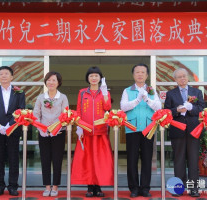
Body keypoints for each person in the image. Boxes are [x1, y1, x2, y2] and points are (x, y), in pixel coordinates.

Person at [71, 66, 113, 197]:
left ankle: (98, 186)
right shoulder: (82, 92)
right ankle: (89, 186)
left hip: (100, 132)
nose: (94, 78)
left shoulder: (105, 92)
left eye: (96, 76)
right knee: (88, 161)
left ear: (100, 78)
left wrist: (105, 93)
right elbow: (78, 110)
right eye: (91, 76)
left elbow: (107, 107)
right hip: (86, 132)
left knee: (99, 161)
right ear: (87, 78)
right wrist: (79, 127)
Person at [120, 63, 161, 198]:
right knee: (132, 159)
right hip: (132, 129)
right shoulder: (127, 90)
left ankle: (145, 188)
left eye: (143, 72)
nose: (140, 74)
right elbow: (123, 107)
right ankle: (133, 188)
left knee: (147, 159)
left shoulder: (151, 90)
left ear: (147, 75)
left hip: (149, 129)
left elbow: (158, 107)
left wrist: (147, 98)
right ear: (133, 75)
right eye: (137, 72)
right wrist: (137, 100)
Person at [164, 68, 205, 197]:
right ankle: (179, 188)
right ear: (175, 80)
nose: (182, 78)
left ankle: (193, 189)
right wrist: (177, 110)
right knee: (179, 160)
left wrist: (191, 108)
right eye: (179, 77)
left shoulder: (197, 92)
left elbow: (202, 109)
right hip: (177, 130)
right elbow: (167, 111)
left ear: (188, 78)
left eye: (184, 76)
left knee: (193, 160)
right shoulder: (170, 94)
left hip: (194, 130)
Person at [0, 66, 25, 196]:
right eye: (1, 74)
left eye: (6, 73)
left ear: (12, 77)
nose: (3, 76)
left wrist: (10, 125)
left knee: (14, 158)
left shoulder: (19, 92)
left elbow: (21, 110)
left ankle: (13, 186)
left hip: (13, 130)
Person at [33, 71, 69, 197]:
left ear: (58, 82)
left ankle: (55, 186)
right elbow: (36, 115)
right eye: (49, 80)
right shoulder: (40, 98)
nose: (51, 82)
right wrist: (42, 128)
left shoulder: (63, 97)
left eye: (54, 80)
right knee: (45, 160)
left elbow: (65, 115)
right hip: (43, 133)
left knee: (57, 160)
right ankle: (47, 186)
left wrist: (55, 128)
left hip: (58, 133)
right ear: (46, 82)